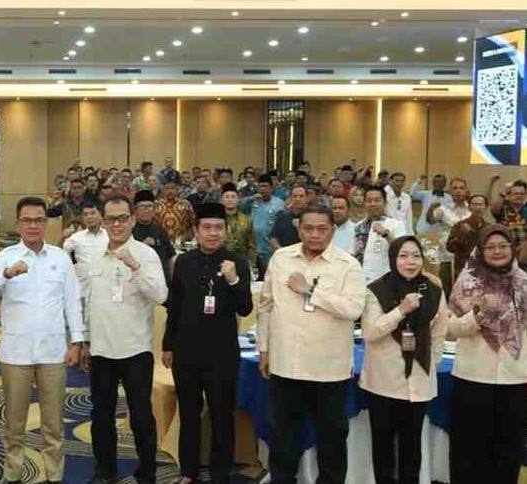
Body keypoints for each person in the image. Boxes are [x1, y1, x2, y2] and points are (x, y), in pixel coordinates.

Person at [0, 197, 85, 484]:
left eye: (39, 220)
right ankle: (13, 474)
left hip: (53, 351)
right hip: (16, 352)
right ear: (18, 223)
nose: (33, 225)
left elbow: (72, 302)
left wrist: (77, 341)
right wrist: (6, 274)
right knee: (14, 424)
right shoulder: (6, 256)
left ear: (46, 222)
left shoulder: (60, 257)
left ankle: (54, 475)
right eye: (27, 220)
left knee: (54, 422)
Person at [257, 205, 366, 484]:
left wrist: (311, 292)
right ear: (298, 228)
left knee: (331, 439)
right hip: (286, 363)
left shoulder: (347, 264)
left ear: (332, 230)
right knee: (283, 437)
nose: (315, 234)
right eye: (308, 228)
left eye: (321, 229)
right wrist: (264, 349)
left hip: (329, 369)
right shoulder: (281, 258)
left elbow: (354, 309)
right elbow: (266, 305)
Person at [80, 195, 168, 484]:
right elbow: (88, 302)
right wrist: (86, 341)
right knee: (101, 416)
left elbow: (161, 295)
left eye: (122, 218)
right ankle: (105, 470)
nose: (116, 224)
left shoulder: (145, 254)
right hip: (101, 350)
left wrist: (135, 266)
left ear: (132, 219)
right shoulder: (94, 256)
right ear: (103, 221)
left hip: (135, 349)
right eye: (111, 219)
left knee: (141, 416)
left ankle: (147, 471)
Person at [163, 202, 252, 484]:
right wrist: (168, 344)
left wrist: (233, 280)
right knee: (189, 414)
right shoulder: (184, 262)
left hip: (222, 354)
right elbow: (175, 306)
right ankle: (188, 471)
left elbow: (245, 308)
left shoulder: (237, 263)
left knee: (221, 415)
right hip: (186, 352)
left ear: (226, 231)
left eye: (218, 228)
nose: (213, 233)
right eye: (207, 227)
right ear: (196, 230)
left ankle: (220, 473)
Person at [360, 236, 448, 484]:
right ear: (392, 259)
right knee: (383, 447)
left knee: (412, 447)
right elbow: (370, 332)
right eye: (403, 256)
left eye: (416, 256)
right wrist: (401, 311)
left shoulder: (433, 290)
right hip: (383, 381)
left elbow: (439, 331)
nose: (411, 262)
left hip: (418, 379)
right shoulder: (377, 289)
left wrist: (431, 361)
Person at [447, 224, 527, 484]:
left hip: (515, 380)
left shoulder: (524, 283)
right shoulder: (467, 282)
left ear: (513, 248)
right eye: (490, 247)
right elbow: (450, 328)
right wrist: (478, 316)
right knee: (469, 453)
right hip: (472, 379)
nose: (497, 251)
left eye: (503, 246)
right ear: (480, 251)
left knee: (508, 453)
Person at [426, 177, 471, 294]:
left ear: (466, 191)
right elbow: (430, 220)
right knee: (447, 290)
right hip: (447, 256)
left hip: (467, 257)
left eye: (461, 188)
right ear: (450, 191)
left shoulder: (472, 210)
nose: (458, 191)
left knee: (465, 290)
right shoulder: (443, 209)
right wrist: (431, 208)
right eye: (455, 188)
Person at [354, 186, 407, 283]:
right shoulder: (358, 226)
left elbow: (403, 250)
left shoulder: (396, 224)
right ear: (364, 203)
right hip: (359, 278)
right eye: (369, 201)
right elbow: (353, 253)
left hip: (384, 279)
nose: (372, 204)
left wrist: (385, 234)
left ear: (385, 203)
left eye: (377, 200)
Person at [240, 175, 284, 278]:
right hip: (253, 248)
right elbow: (237, 206)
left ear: (271, 188)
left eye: (265, 186)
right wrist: (251, 198)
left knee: (269, 277)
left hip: (269, 248)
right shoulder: (252, 202)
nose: (262, 189)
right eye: (260, 187)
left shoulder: (279, 204)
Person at [132, 190, 175, 284]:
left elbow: (170, 257)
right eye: (142, 207)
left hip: (162, 281)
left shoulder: (161, 230)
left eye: (149, 206)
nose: (146, 210)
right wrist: (142, 246)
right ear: (135, 210)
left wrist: (172, 280)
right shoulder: (130, 232)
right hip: (139, 281)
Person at [446, 194, 489, 278]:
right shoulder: (460, 225)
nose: (478, 207)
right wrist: (461, 236)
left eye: (480, 205)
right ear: (469, 207)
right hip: (463, 268)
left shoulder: (489, 227)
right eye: (475, 204)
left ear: (485, 207)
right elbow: (450, 248)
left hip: (484, 269)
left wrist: (471, 233)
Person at [63, 202, 109, 268]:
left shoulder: (109, 235)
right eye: (85, 214)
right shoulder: (76, 238)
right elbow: (63, 254)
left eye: (93, 213)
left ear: (100, 215)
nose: (89, 217)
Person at [221, 183, 256, 266]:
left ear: (238, 200)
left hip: (242, 260)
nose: (230, 199)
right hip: (220, 260)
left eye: (233, 197)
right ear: (221, 200)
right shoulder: (217, 220)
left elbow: (251, 245)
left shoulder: (247, 220)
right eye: (226, 197)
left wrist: (252, 264)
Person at [269, 184, 306, 250]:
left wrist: (299, 228)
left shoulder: (312, 217)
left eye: (301, 196)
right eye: (294, 196)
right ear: (290, 198)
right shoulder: (282, 216)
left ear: (306, 198)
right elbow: (273, 237)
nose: (298, 199)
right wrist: (280, 250)